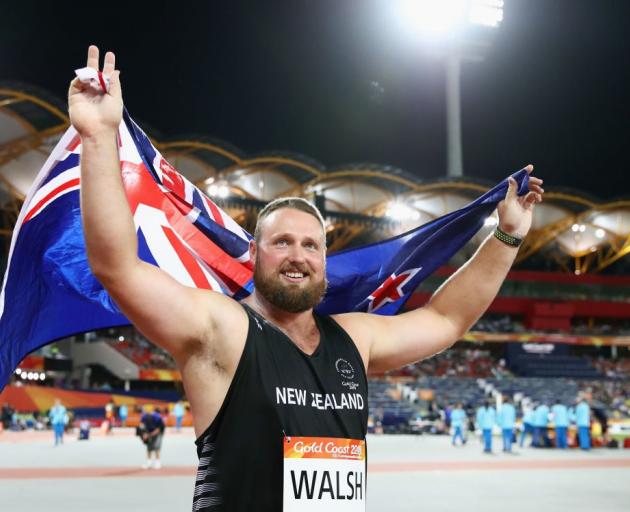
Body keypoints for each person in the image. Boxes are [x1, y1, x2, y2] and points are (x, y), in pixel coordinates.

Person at [69, 45, 543, 511]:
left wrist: (505, 236)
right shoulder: (222, 329)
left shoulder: (354, 338)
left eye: (311, 245)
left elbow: (447, 318)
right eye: (282, 242)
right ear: (254, 255)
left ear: (324, 258)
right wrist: (98, 136)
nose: (298, 256)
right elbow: (117, 266)